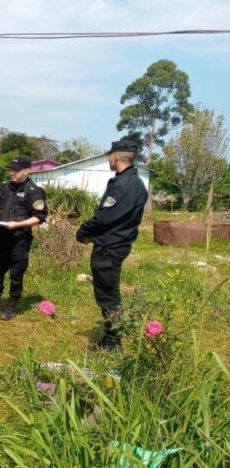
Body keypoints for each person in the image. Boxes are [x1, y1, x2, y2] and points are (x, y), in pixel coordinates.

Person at [76, 138, 147, 351]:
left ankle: (114, 344)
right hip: (116, 244)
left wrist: (83, 231)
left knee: (108, 297)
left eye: (109, 156)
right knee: (108, 294)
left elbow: (105, 218)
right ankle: (111, 340)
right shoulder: (134, 183)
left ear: (115, 157)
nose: (109, 159)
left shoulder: (124, 184)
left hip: (110, 248)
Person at [0, 156, 48, 321]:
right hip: (2, 236)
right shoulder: (4, 187)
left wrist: (17, 224)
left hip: (20, 239)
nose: (12, 173)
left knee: (16, 273)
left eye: (16, 170)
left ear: (27, 171)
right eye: (11, 169)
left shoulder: (34, 191)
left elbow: (39, 217)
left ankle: (11, 306)